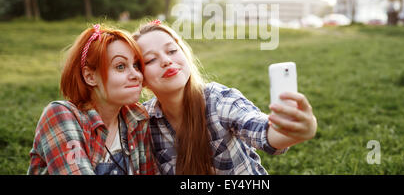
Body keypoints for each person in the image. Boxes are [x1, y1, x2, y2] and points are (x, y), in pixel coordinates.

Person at [133, 20, 317, 175]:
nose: (166, 60)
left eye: (172, 51)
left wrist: (290, 130)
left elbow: (260, 129)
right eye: (150, 60)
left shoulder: (219, 100)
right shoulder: (143, 121)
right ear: (140, 77)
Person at [28, 24, 156, 175]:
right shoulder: (60, 115)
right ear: (90, 77)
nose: (136, 75)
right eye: (120, 66)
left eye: (135, 65)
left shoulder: (137, 117)